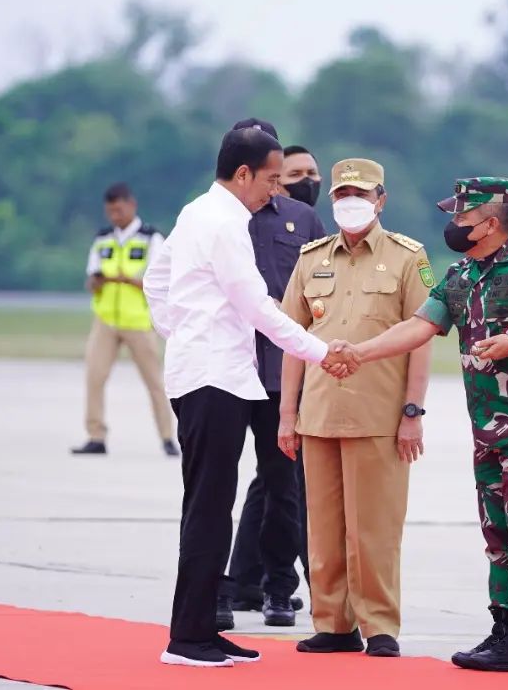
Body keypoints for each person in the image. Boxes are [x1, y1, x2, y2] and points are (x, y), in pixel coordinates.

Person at [340, 177, 508, 672]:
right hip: (489, 431)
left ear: (491, 223)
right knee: (498, 532)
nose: (453, 226)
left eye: (461, 218)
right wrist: (360, 353)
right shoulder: (462, 274)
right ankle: (502, 628)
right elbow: (419, 326)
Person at [142, 126, 353, 668]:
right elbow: (259, 304)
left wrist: (182, 331)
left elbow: (155, 282)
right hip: (213, 378)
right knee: (209, 509)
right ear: (243, 174)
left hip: (209, 373)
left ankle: (200, 633)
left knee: (209, 507)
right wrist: (319, 351)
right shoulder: (223, 224)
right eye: (270, 179)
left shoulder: (196, 213)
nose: (276, 191)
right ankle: (188, 638)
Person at [277, 158, 433, 659]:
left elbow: (423, 339)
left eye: (362, 195)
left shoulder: (408, 257)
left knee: (374, 529)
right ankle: (334, 623)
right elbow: (292, 339)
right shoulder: (312, 257)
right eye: (343, 194)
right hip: (319, 412)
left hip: (379, 415)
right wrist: (287, 415)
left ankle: (379, 624)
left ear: (381, 200)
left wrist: (413, 412)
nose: (351, 202)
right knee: (323, 528)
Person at [219, 120, 326, 629]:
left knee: (283, 485)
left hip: (282, 374)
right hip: (225, 368)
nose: (290, 180)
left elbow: (325, 291)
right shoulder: (218, 219)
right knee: (214, 484)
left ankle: (279, 590)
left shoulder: (303, 219)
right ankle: (220, 587)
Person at [71, 182, 176, 457]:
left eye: (118, 210)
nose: (114, 216)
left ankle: (167, 437)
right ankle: (96, 435)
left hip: (138, 320)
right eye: (109, 211)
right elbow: (92, 275)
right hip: (106, 319)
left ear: (132, 205)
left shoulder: (151, 238)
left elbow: (160, 280)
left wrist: (127, 280)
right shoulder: (103, 238)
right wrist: (97, 281)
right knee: (94, 376)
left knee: (155, 381)